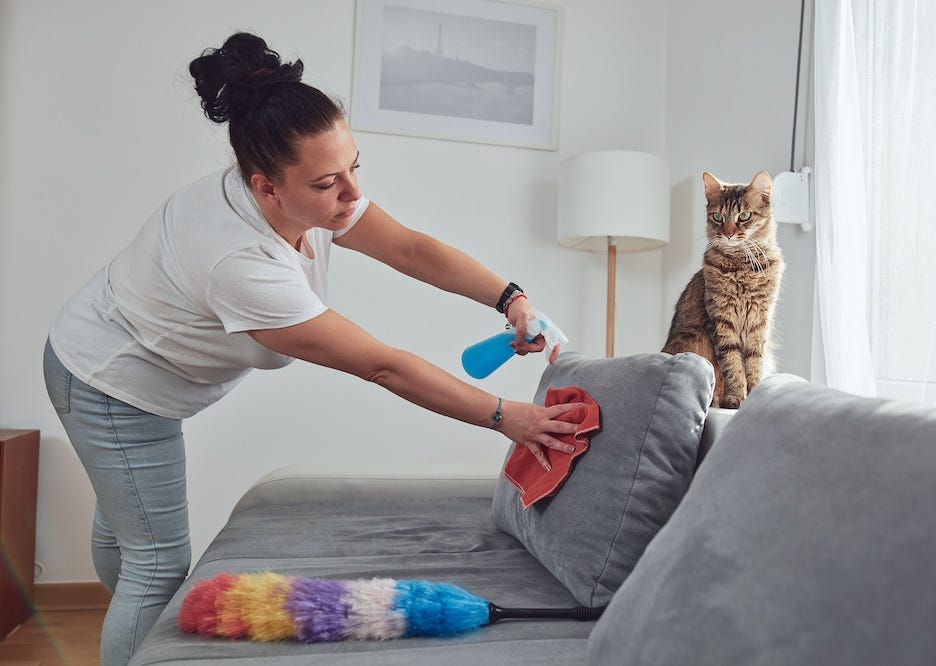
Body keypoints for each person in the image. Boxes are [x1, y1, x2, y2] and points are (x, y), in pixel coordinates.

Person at [42, 32, 579, 665]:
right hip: (108, 382)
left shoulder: (312, 195)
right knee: (157, 563)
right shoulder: (239, 261)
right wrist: (505, 416)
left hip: (143, 373)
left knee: (131, 537)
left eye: (356, 168)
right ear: (265, 186)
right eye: (330, 183)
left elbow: (409, 247)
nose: (352, 197)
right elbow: (383, 364)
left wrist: (508, 296)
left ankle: (127, 615)